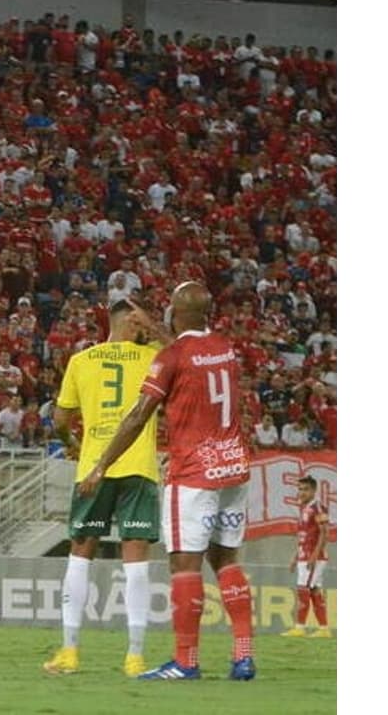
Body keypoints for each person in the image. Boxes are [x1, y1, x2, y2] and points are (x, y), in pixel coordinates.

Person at [83, 282, 256, 681]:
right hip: (233, 466)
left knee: (184, 563)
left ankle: (186, 661)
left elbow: (138, 415)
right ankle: (243, 657)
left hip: (193, 472)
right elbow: (187, 354)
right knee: (226, 560)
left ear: (173, 315)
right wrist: (160, 331)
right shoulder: (224, 347)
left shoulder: (170, 357)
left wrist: (101, 465)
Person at [43, 299, 161, 678]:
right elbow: (185, 354)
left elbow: (60, 419)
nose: (145, 329)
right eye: (140, 323)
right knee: (136, 561)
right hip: (138, 466)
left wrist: (73, 444)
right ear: (131, 322)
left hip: (94, 465)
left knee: (80, 556)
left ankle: (70, 651)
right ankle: (135, 656)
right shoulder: (155, 357)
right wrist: (156, 330)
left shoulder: (81, 361)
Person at [281, 475, 333, 638]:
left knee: (303, 589)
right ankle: (324, 629)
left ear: (314, 490)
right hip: (305, 555)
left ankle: (300, 627)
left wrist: (314, 556)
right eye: (300, 489)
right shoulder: (305, 508)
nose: (301, 492)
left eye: (305, 489)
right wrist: (295, 557)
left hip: (313, 557)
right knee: (314, 590)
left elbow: (325, 533)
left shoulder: (318, 507)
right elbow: (305, 536)